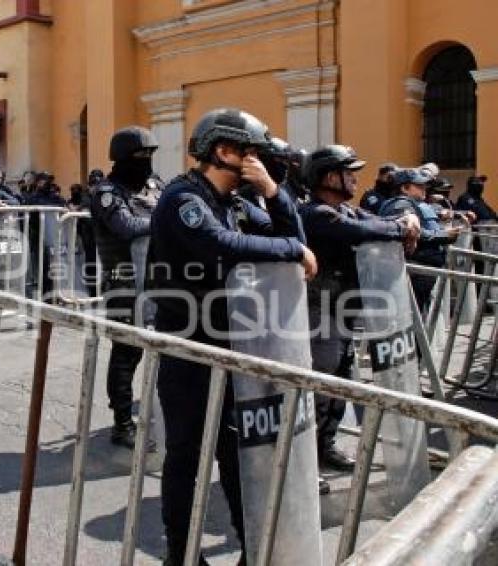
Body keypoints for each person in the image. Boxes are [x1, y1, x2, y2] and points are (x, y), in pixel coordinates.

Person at [148, 108, 316, 565]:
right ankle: (181, 554)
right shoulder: (184, 199)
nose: (257, 161)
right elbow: (224, 244)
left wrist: (273, 192)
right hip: (189, 348)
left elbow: (294, 238)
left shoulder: (237, 202)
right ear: (223, 150)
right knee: (186, 455)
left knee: (235, 453)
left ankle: (254, 548)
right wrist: (292, 249)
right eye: (250, 153)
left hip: (233, 347)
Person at [300, 145, 420, 472]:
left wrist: (407, 219)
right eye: (348, 171)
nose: (355, 178)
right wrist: (402, 227)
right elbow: (362, 231)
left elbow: (378, 221)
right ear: (328, 177)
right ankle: (303, 463)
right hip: (320, 312)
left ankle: (325, 447)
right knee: (320, 388)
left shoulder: (347, 209)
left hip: (344, 311)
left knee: (340, 384)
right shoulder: (316, 214)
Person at [90, 126, 159, 449]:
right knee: (127, 353)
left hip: (158, 281)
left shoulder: (152, 185)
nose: (145, 162)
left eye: (149, 156)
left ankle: (157, 413)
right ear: (121, 159)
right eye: (139, 157)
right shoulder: (107, 192)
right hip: (123, 283)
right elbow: (125, 226)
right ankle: (122, 422)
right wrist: (165, 223)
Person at [380, 168, 460, 312]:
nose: (425, 188)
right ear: (404, 188)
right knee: (412, 317)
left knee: (419, 316)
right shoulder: (400, 204)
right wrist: (443, 235)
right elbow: (410, 231)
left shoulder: (410, 204)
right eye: (419, 185)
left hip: (419, 271)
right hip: (414, 271)